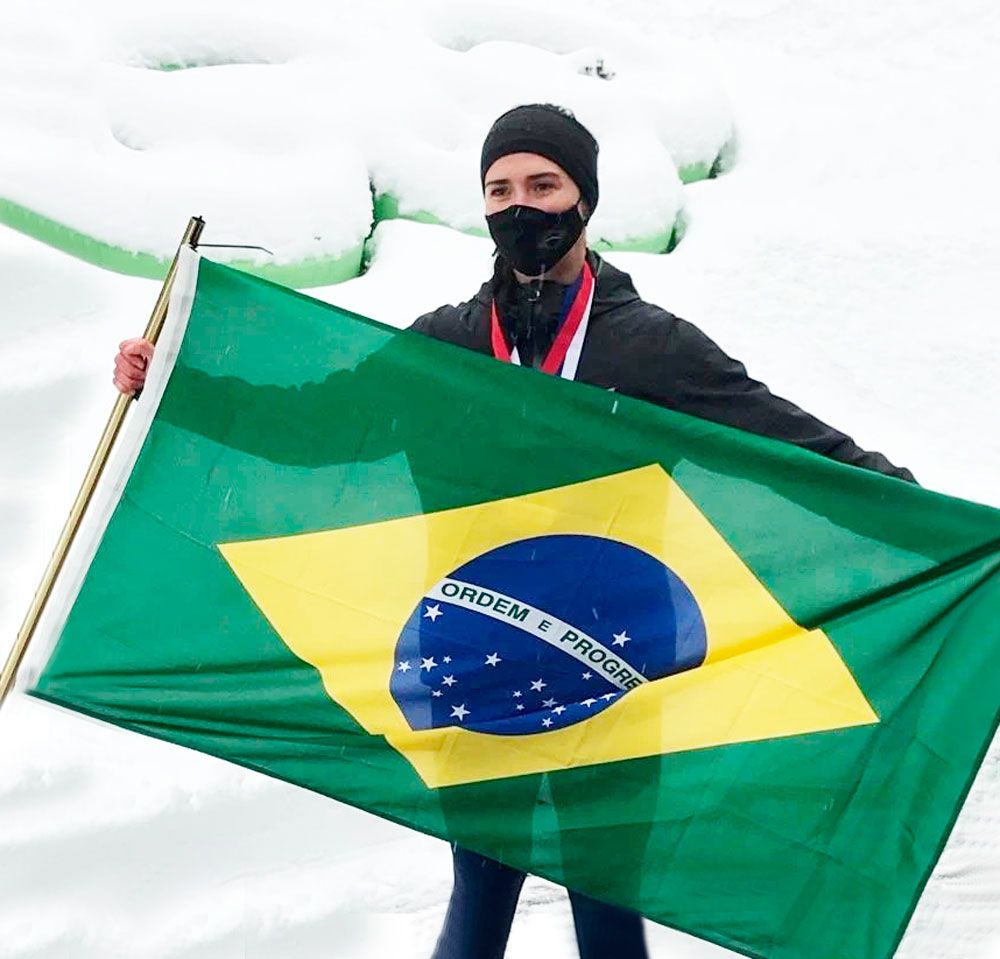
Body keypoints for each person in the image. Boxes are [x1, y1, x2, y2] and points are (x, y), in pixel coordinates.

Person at [113, 103, 914, 959]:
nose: (520, 206)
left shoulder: (648, 350)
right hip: (475, 662)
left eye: (543, 184)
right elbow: (318, 423)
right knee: (482, 888)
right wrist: (175, 381)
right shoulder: (447, 347)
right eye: (499, 189)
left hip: (615, 667)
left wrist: (917, 509)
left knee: (605, 894)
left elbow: (786, 443)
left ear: (585, 199)